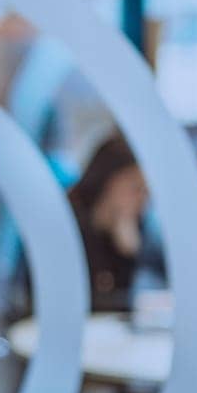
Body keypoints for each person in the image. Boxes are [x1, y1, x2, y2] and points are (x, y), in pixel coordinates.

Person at [67, 133, 150, 313]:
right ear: (107, 180)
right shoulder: (67, 222)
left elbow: (120, 301)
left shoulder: (131, 226)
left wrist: (126, 254)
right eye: (136, 188)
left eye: (146, 191)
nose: (142, 199)